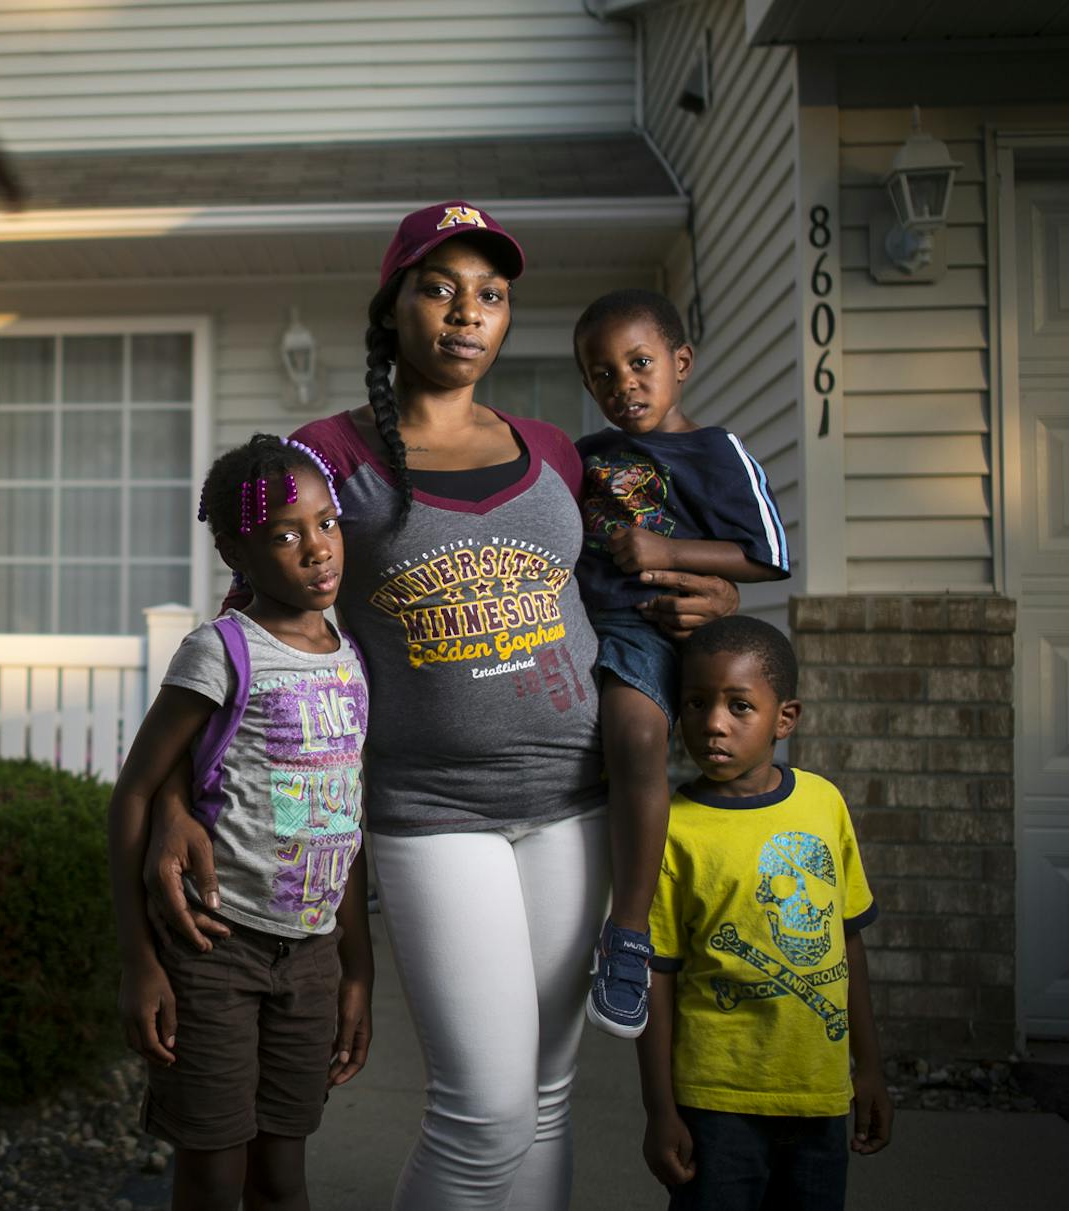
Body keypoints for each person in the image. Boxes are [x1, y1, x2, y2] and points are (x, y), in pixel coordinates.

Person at [145, 203, 740, 1209]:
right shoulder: (327, 450)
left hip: (577, 798)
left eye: (492, 294)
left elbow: (621, 583)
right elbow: (244, 635)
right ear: (393, 308)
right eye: (439, 286)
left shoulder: (556, 448)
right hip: (429, 809)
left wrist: (709, 593)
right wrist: (170, 798)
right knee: (486, 1111)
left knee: (547, 1097)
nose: (467, 312)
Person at [108, 434, 376, 1211]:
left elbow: (345, 825)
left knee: (282, 1177)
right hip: (216, 954)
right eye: (285, 535)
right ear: (236, 549)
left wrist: (356, 968)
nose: (317, 549)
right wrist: (140, 962)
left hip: (311, 960)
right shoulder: (221, 653)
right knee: (213, 1176)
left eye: (326, 524)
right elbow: (134, 793)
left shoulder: (349, 657)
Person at [570, 289, 792, 1040]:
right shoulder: (585, 458)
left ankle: (627, 933)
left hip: (649, 628)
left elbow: (768, 554)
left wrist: (669, 553)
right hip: (574, 631)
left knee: (635, 740)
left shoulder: (714, 452)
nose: (623, 384)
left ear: (681, 362)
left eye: (640, 363)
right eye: (602, 374)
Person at [637, 615, 890, 1209]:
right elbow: (657, 976)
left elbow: (849, 942)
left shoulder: (824, 804)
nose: (713, 724)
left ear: (785, 718)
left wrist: (870, 1069)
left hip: (819, 1096)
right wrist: (659, 1110)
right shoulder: (670, 829)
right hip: (715, 1100)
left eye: (739, 706)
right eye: (696, 703)